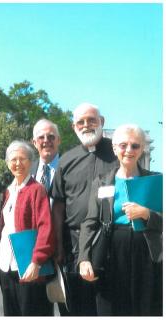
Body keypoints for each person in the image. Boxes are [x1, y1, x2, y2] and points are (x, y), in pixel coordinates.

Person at [78, 124, 162, 316]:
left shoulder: (155, 181)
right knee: (110, 307)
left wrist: (146, 214)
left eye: (135, 146)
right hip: (110, 252)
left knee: (144, 308)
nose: (129, 151)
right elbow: (90, 222)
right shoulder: (102, 181)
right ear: (115, 148)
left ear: (142, 149)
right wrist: (83, 258)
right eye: (123, 145)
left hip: (146, 253)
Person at [50, 102, 118, 316]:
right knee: (79, 308)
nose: (86, 125)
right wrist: (59, 246)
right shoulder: (66, 160)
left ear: (102, 122)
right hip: (74, 246)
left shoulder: (118, 152)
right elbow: (59, 204)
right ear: (73, 127)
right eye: (81, 122)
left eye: (91, 120)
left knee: (110, 306)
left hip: (111, 242)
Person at [0, 140, 55, 316]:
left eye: (22, 159)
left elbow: (46, 228)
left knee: (31, 312)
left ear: (31, 162)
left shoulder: (36, 190)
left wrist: (37, 261)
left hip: (27, 266)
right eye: (13, 159)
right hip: (6, 265)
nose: (17, 163)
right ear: (8, 163)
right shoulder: (8, 191)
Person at [31, 119, 61, 193]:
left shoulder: (69, 168)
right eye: (41, 137)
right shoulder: (27, 171)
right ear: (34, 143)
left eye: (51, 137)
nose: (46, 140)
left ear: (58, 140)